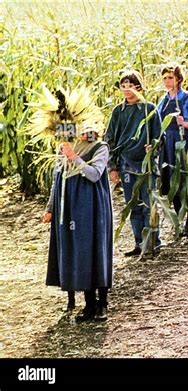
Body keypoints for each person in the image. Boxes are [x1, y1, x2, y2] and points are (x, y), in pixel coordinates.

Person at [43, 127, 113, 322]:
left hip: (92, 205)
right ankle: (89, 304)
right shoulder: (65, 147)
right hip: (70, 206)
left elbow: (94, 174)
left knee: (95, 249)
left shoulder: (100, 147)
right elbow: (58, 178)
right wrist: (50, 207)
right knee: (80, 252)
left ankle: (102, 303)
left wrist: (74, 157)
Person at [104, 70, 163, 256]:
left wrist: (152, 147)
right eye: (123, 87)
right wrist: (112, 167)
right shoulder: (118, 112)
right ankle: (139, 243)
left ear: (138, 87)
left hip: (145, 164)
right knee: (133, 204)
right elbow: (110, 139)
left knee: (149, 203)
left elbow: (159, 136)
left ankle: (153, 242)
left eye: (130, 86)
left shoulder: (149, 109)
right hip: (126, 163)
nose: (127, 90)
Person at [156, 64, 188, 235]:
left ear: (179, 79)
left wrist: (184, 123)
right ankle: (179, 219)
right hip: (167, 144)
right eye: (165, 78)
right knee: (171, 181)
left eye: (170, 78)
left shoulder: (187, 98)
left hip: (182, 142)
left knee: (185, 180)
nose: (167, 81)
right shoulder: (163, 100)